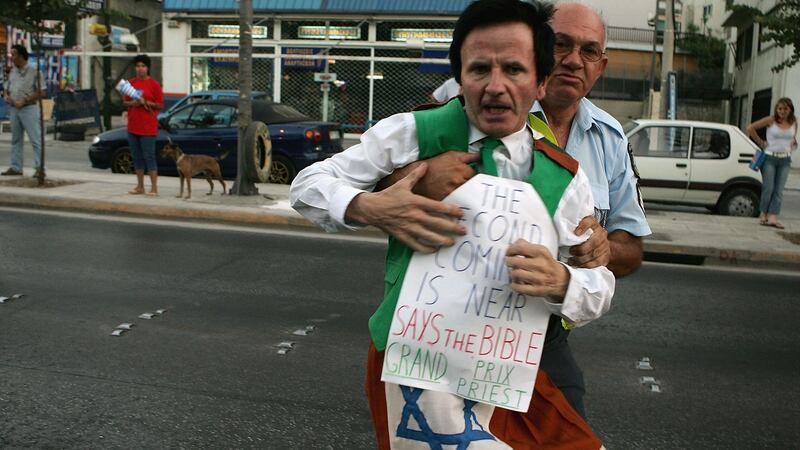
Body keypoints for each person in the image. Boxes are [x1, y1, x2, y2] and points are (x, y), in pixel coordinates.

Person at [291, 0, 612, 448]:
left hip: (510, 370)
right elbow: (309, 185)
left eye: (514, 70)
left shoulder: (564, 175)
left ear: (540, 82)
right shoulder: (412, 133)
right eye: (480, 69)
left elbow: (598, 284)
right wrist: (372, 207)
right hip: (414, 363)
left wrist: (562, 281)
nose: (495, 87)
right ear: (459, 77)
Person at [378, 1, 651, 417]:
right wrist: (415, 178)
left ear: (602, 65)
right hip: (440, 327)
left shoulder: (611, 141)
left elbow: (629, 250)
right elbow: (382, 180)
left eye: (589, 52)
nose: (574, 61)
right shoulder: (472, 103)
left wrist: (597, 251)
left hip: (539, 333)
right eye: (561, 44)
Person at [747, 97, 797, 229]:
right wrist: (761, 142)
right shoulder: (771, 120)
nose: (782, 111)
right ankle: (763, 214)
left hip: (785, 159)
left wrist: (793, 143)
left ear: (790, 109)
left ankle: (773, 216)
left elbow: (793, 137)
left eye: (785, 109)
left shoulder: (794, 122)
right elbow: (751, 127)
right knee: (769, 187)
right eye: (780, 108)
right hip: (770, 158)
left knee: (779, 190)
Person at [2, 44, 46, 178]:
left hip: (29, 108)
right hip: (14, 109)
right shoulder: (12, 72)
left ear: (21, 56)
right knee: (16, 139)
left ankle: (40, 168)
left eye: (14, 54)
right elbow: (7, 88)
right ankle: (16, 167)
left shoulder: (34, 72)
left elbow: (42, 91)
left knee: (36, 139)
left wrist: (25, 100)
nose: (11, 57)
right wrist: (7, 96)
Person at [122, 54, 163, 196]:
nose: (140, 69)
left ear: (148, 68)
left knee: (149, 156)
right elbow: (125, 101)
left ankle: (154, 188)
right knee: (136, 156)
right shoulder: (130, 83)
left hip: (148, 127)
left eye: (143, 66)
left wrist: (146, 102)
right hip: (133, 126)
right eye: (138, 66)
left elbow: (160, 104)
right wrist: (134, 103)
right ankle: (140, 186)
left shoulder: (154, 85)